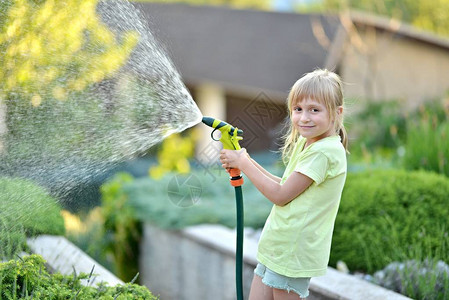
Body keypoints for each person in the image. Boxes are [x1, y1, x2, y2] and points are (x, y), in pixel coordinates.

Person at [219, 69, 348, 300]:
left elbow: (280, 195)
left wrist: (244, 164)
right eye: (298, 109)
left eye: (314, 110)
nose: (304, 117)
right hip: (278, 246)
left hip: (293, 251)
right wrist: (245, 159)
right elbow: (287, 185)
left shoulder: (325, 152)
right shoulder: (308, 143)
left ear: (337, 113)